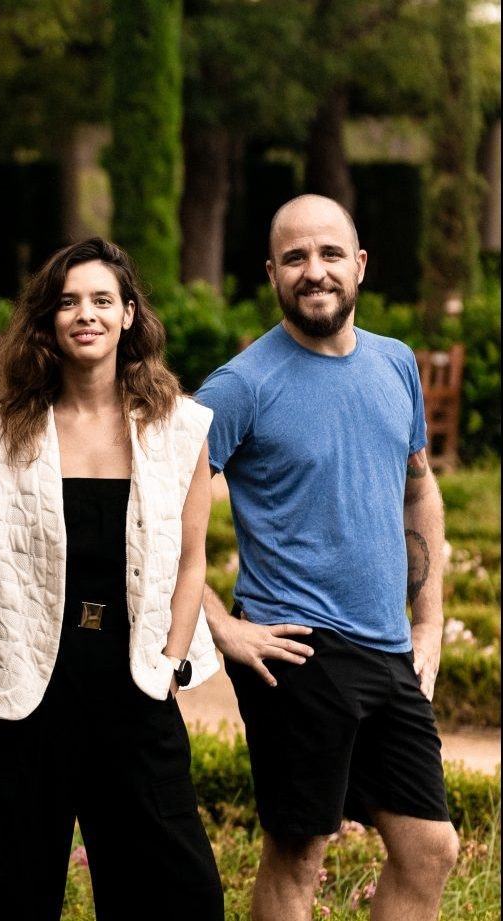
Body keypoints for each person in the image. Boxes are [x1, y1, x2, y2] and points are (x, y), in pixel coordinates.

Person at [196, 194, 458, 920]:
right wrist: (222, 626)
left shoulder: (394, 363)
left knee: (430, 848)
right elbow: (152, 514)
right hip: (297, 649)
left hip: (384, 648)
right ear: (271, 273)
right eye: (295, 258)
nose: (314, 272)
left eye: (329, 254)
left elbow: (419, 492)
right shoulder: (239, 386)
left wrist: (428, 620)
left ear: (360, 265)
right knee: (300, 853)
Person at [0, 238, 224, 919]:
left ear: (128, 314)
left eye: (102, 299)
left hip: (134, 686)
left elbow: (193, 557)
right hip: (19, 692)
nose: (85, 314)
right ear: (47, 319)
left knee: (175, 893)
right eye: (67, 301)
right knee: (1, 893)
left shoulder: (180, 428)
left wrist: (170, 660)